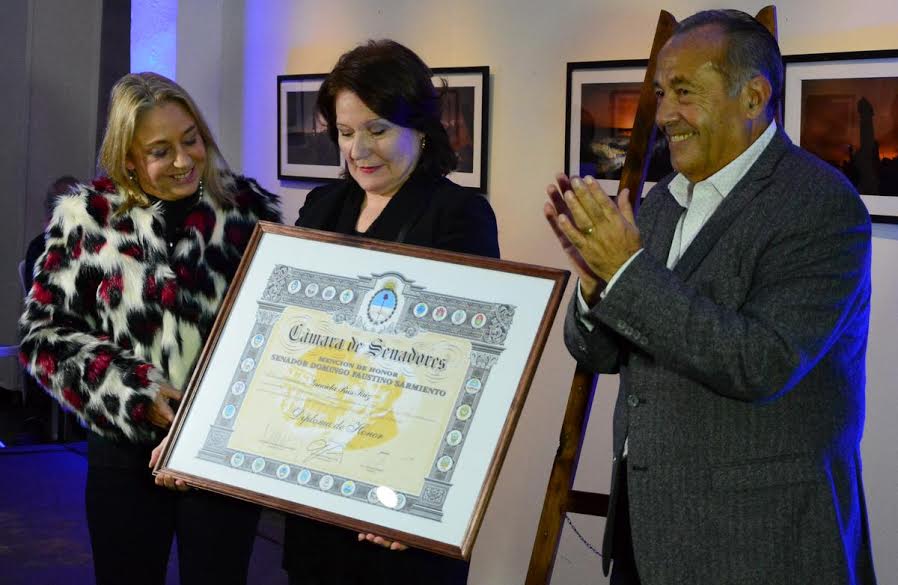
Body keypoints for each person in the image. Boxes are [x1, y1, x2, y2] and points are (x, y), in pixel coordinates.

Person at [544, 10, 876, 585]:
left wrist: (625, 272)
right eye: (660, 92)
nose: (664, 113)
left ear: (753, 97)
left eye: (684, 92)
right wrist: (596, 285)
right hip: (647, 534)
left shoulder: (821, 205)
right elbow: (600, 355)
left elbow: (762, 363)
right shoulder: (664, 199)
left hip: (758, 543)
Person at [18, 72, 281, 585]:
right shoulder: (88, 220)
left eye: (191, 139)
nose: (184, 160)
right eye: (160, 151)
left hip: (221, 448)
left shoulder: (247, 214)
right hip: (125, 452)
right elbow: (43, 334)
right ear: (129, 158)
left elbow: (275, 331)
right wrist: (135, 394)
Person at [282, 39, 499, 585]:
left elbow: (463, 372)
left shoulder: (461, 216)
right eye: (346, 133)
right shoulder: (321, 206)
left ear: (421, 129)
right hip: (318, 480)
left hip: (401, 493)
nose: (359, 150)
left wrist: (416, 500)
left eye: (377, 130)